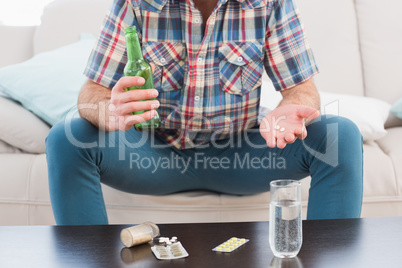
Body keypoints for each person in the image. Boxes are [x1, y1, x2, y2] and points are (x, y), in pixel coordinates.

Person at [46, 0, 363, 225]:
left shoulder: (270, 3)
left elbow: (302, 90)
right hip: (154, 155)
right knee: (66, 138)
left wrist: (289, 108)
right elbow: (91, 93)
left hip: (242, 155)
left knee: (341, 135)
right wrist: (110, 112)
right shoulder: (136, 3)